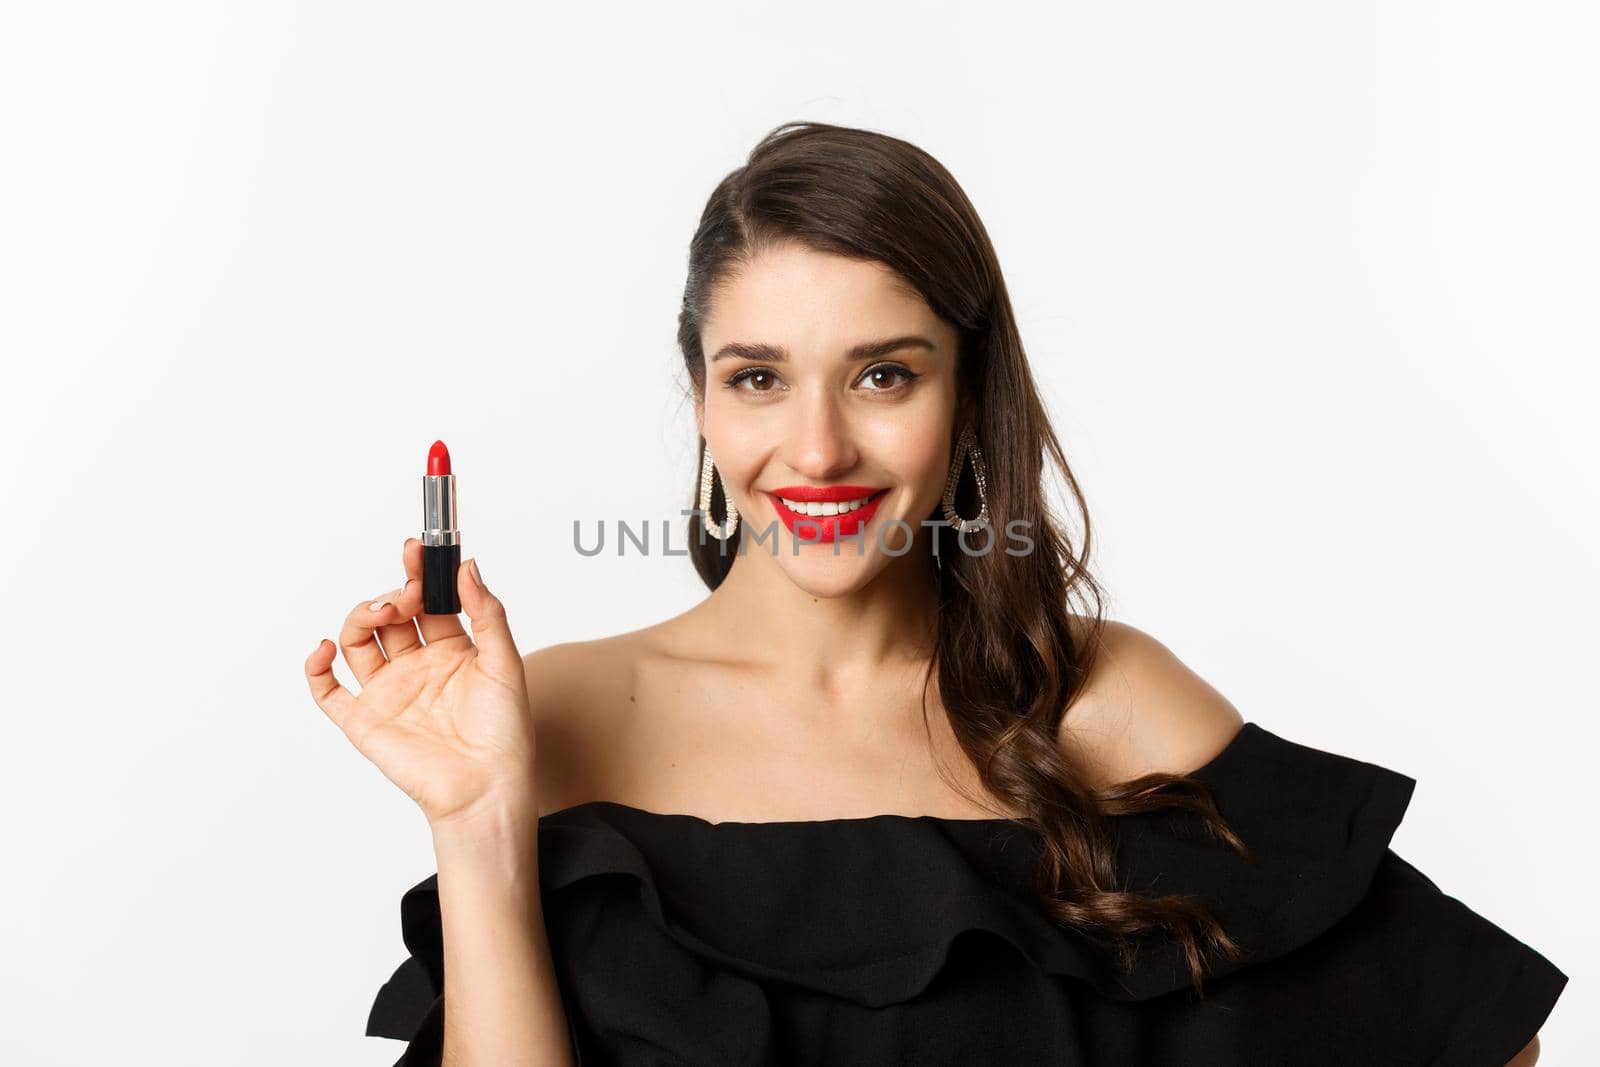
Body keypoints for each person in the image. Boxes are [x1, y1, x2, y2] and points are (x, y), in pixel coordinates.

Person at [306, 121, 1565, 1066]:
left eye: (882, 377)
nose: (815, 451)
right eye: (757, 378)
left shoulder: (1101, 703)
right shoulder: (556, 715)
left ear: (966, 399)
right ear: (696, 395)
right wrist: (476, 820)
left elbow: (1476, 1030)